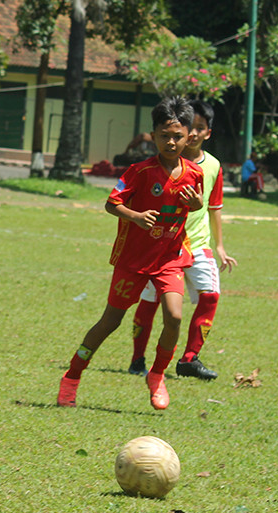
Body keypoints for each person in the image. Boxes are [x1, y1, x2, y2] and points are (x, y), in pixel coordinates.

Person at [57, 97, 204, 411]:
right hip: (134, 259)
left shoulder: (194, 174)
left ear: (189, 136)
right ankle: (71, 377)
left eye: (178, 136)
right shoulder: (140, 171)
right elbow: (112, 203)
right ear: (153, 135)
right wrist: (134, 216)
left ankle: (157, 375)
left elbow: (196, 204)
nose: (171, 141)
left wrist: (196, 205)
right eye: (164, 135)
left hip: (170, 256)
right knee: (110, 321)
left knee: (175, 317)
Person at [129, 99, 238, 381]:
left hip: (198, 243)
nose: (192, 135)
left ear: (205, 133)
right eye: (190, 128)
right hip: (163, 244)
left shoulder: (212, 166)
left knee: (211, 295)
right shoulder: (162, 164)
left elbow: (214, 208)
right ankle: (138, 358)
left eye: (199, 129)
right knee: (151, 301)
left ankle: (190, 359)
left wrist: (220, 246)